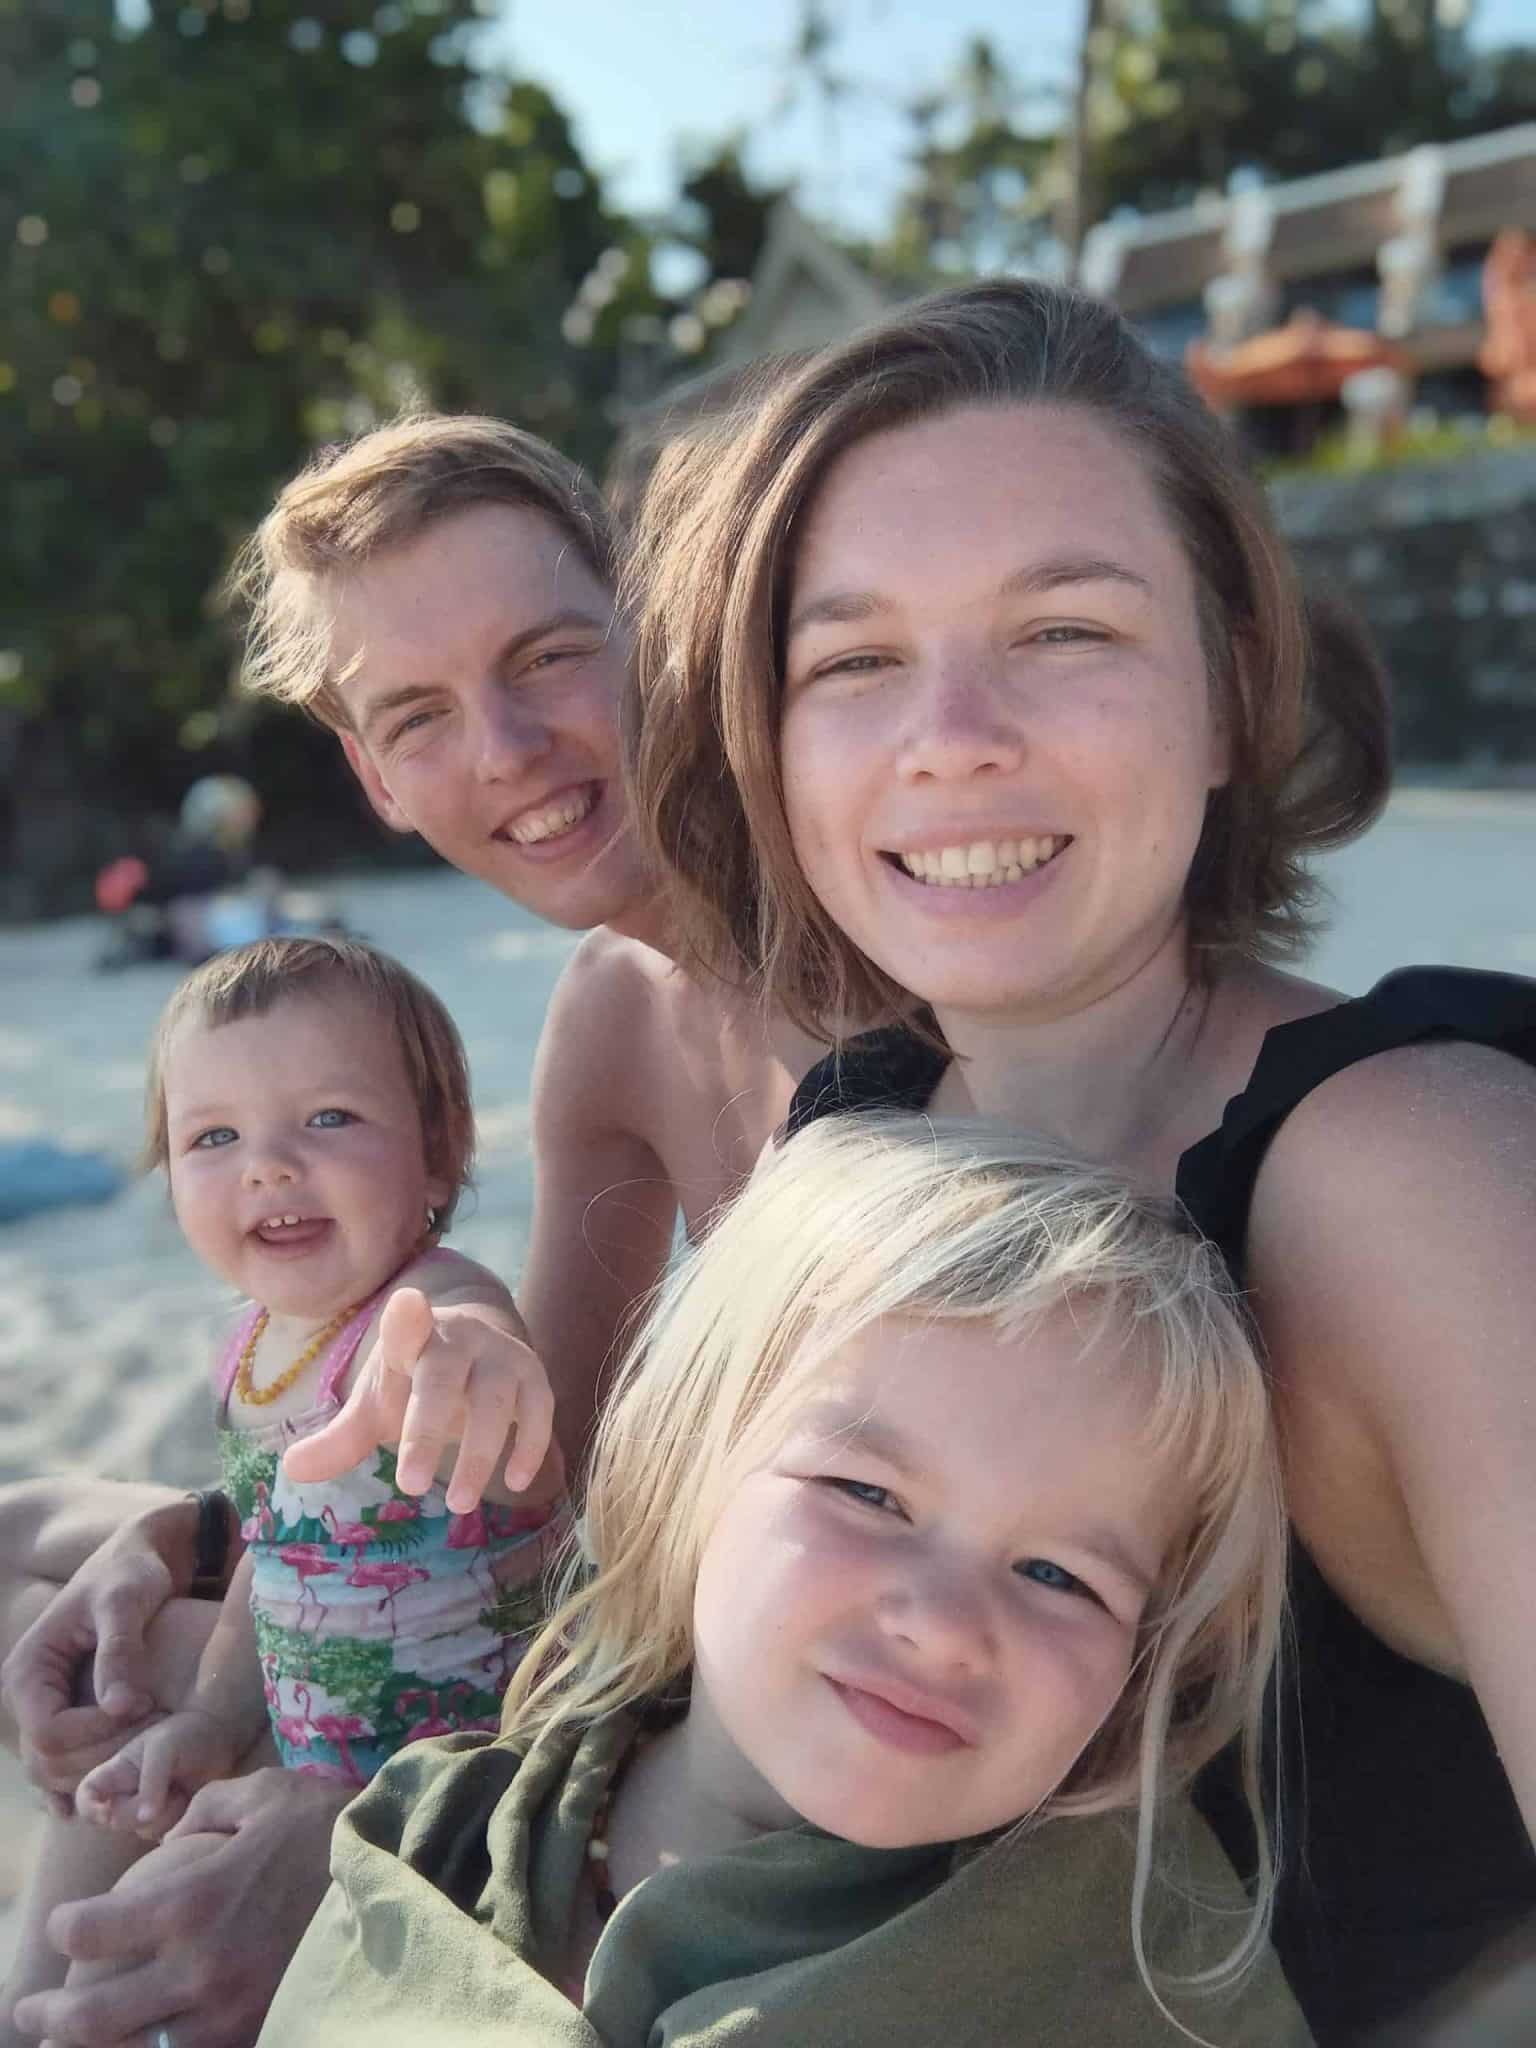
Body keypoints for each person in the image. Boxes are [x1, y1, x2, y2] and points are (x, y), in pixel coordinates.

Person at [626, 277, 1536, 2043]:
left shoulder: (1413, 1176)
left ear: (1233, 694)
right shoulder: (859, 1136)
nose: (952, 733)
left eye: (1062, 630)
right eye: (854, 659)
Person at [3, 417, 824, 2048]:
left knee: (124, 1672)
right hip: (540, 1608)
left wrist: (366, 1821)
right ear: (371, 772)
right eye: (420, 716)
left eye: (548, 657)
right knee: (43, 1541)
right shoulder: (612, 1009)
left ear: (653, 629)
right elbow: (522, 1472)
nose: (506, 748)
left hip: (760, 1714)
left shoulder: (866, 951)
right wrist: (191, 1536)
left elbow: (564, 1544)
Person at [258, 1113, 1308, 2046]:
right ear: (688, 1462)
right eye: (868, 1493)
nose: (944, 1625)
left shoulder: (1151, 1982)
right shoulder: (431, 1838)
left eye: (1058, 1575)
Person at [3, 935, 564, 2035]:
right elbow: (274, 1553)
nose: (267, 1166)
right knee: (124, 1852)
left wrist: (468, 1356)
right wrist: (214, 1720)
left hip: (456, 1790)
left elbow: (479, 1344)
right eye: (214, 1137)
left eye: (329, 1118)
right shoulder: (256, 1348)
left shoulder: (426, 1308)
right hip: (305, 1753)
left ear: (440, 1154)